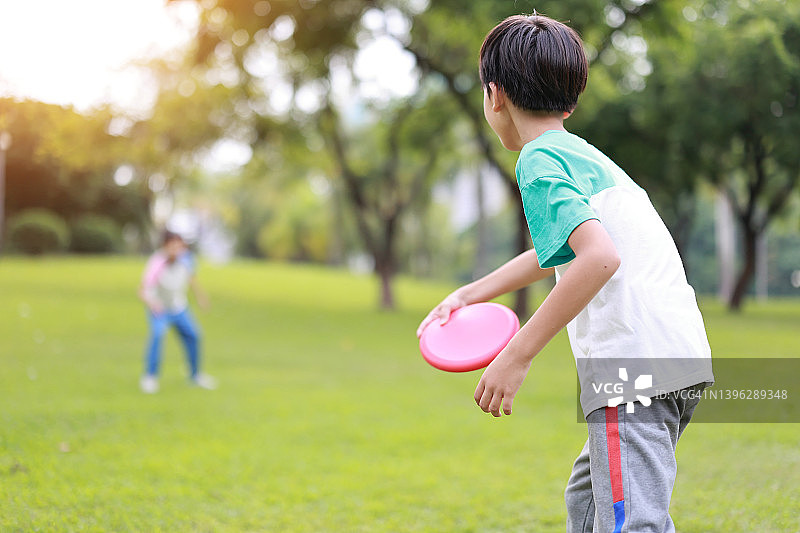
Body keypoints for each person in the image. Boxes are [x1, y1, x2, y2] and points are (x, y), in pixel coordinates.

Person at [417, 14, 713, 533]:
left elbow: (598, 258)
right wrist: (470, 294)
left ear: (494, 95)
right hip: (674, 355)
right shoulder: (584, 155)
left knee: (630, 521)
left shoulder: (538, 159)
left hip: (631, 367)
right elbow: (560, 250)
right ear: (570, 103)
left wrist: (517, 354)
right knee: (589, 499)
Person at [138, 230, 217, 393]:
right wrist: (153, 303)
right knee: (157, 336)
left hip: (179, 307)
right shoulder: (156, 263)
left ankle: (195, 375)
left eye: (179, 246)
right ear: (164, 246)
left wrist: (201, 297)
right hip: (160, 308)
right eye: (172, 246)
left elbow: (192, 279)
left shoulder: (186, 260)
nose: (176, 249)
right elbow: (142, 290)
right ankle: (150, 377)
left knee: (194, 336)